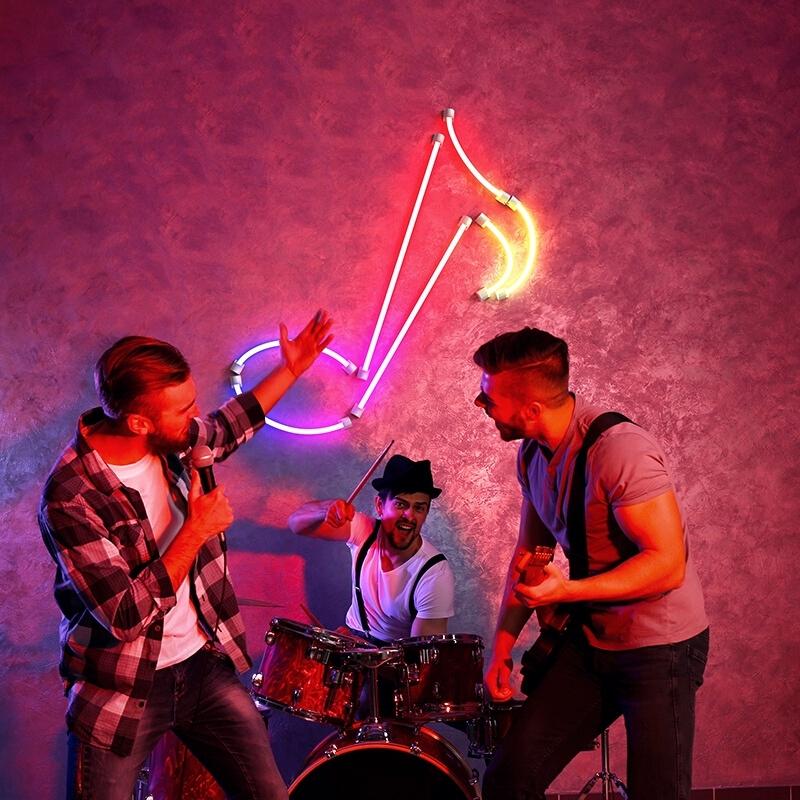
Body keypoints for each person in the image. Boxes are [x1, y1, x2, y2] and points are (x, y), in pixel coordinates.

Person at [39, 311, 333, 800]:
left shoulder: (171, 439)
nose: (194, 417)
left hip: (201, 666)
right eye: (183, 409)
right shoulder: (71, 496)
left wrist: (291, 368)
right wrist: (196, 529)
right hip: (124, 686)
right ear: (138, 422)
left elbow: (225, 428)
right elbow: (125, 615)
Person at [472, 326, 709, 800]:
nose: (480, 406)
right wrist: (502, 646)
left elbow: (667, 565)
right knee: (508, 781)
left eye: (488, 399)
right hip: (593, 642)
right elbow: (530, 555)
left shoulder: (620, 450)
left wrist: (568, 592)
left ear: (531, 409)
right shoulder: (533, 454)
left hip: (660, 648)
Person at [287, 454, 455, 644]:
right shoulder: (364, 530)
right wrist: (326, 509)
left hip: (392, 655)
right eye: (401, 504)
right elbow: (296, 524)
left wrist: (371, 655)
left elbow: (420, 655)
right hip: (349, 640)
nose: (409, 516)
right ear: (380, 506)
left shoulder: (434, 574)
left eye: (419, 508)